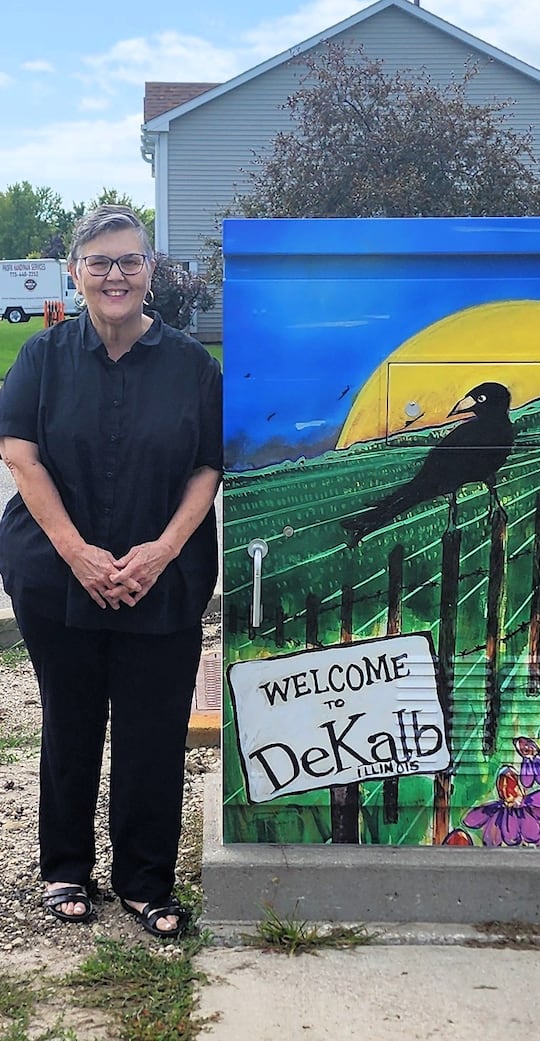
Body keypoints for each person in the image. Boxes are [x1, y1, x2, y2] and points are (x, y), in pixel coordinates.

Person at [0, 205, 222, 938]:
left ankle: (144, 879)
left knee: (154, 727)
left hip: (165, 577)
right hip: (55, 574)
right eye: (98, 262)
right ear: (75, 272)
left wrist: (159, 550)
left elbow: (206, 467)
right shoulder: (42, 357)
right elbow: (20, 454)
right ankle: (66, 867)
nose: (114, 274)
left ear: (151, 272)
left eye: (129, 260)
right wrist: (77, 552)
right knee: (70, 720)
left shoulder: (193, 365)